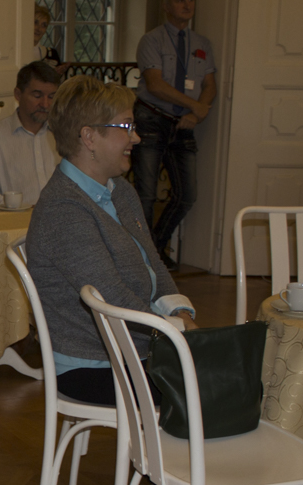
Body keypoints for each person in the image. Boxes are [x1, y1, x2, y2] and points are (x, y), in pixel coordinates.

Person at [27, 75, 196, 406]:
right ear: (89, 137)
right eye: (126, 126)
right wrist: (174, 330)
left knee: (233, 375)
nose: (136, 137)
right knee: (220, 385)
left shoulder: (119, 190)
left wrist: (180, 311)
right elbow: (112, 298)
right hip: (93, 364)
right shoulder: (64, 208)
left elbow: (154, 262)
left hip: (135, 348)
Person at [130, 0, 217, 270]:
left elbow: (210, 85)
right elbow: (155, 85)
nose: (187, 5)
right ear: (167, 6)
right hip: (152, 120)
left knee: (187, 195)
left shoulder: (202, 44)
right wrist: (195, 105)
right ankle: (144, 258)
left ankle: (154, 247)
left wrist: (197, 113)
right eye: (180, 0)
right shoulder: (152, 40)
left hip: (184, 125)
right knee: (146, 194)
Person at [0, 61, 61, 208]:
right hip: (15, 218)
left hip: (60, 217)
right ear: (18, 94)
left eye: (51, 97)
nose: (45, 104)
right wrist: (8, 205)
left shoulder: (63, 134)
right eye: (37, 96)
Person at [31, 5, 68, 74]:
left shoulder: (52, 55)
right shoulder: (16, 54)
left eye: (43, 25)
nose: (39, 28)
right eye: (35, 22)